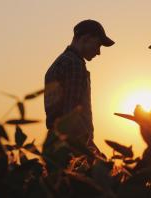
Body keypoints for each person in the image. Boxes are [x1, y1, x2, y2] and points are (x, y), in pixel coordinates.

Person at [43, 19, 114, 171]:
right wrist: (92, 153)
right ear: (86, 38)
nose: (99, 52)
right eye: (98, 44)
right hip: (69, 151)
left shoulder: (57, 64)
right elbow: (71, 117)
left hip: (53, 144)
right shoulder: (75, 65)